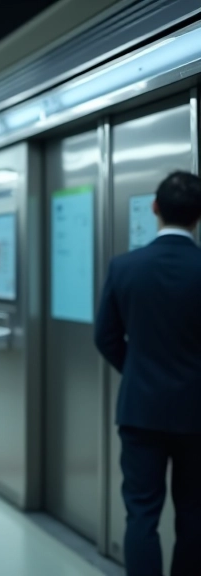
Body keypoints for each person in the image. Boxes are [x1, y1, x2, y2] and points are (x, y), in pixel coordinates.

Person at [95, 171, 201, 576]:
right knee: (194, 513)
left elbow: (105, 337)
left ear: (155, 209)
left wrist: (137, 371)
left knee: (141, 514)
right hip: (197, 414)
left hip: (140, 412)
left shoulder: (124, 267)